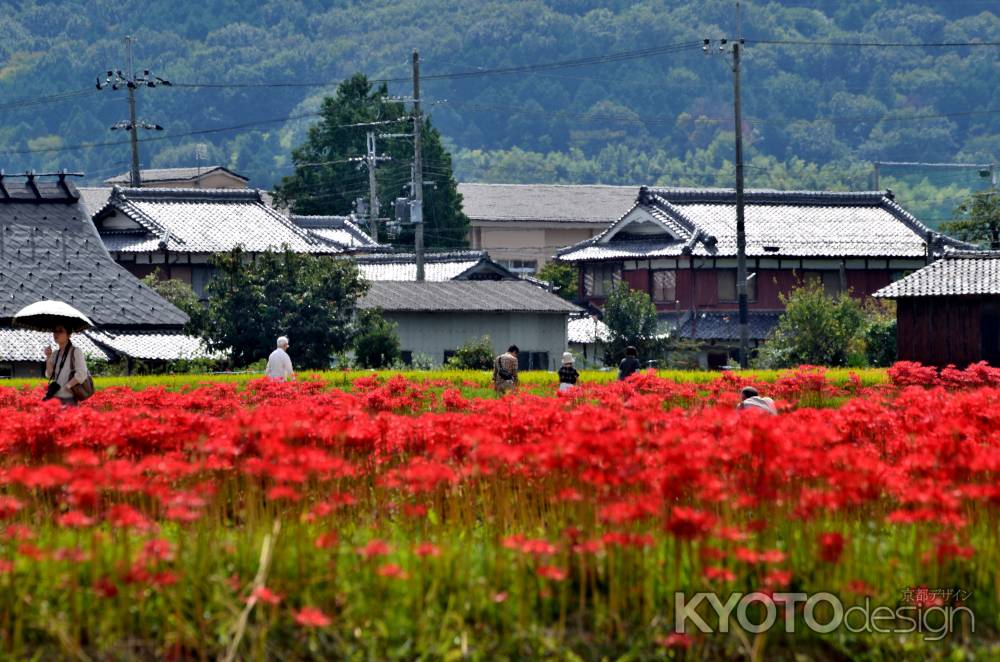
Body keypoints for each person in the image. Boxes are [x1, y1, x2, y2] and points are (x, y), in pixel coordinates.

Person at [43, 325, 89, 407]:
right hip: (55, 398)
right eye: (55, 331)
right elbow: (50, 375)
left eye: (60, 331)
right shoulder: (55, 354)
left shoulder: (76, 352)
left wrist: (67, 386)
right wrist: (48, 357)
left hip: (69, 398)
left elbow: (82, 374)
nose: (56, 334)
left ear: (68, 335)